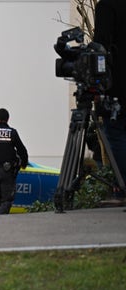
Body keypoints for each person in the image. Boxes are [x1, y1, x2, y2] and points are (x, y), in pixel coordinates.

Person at [94, 0, 126, 194]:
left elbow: (100, 48)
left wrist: (98, 86)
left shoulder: (108, 6)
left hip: (117, 87)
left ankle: (123, 188)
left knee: (116, 135)